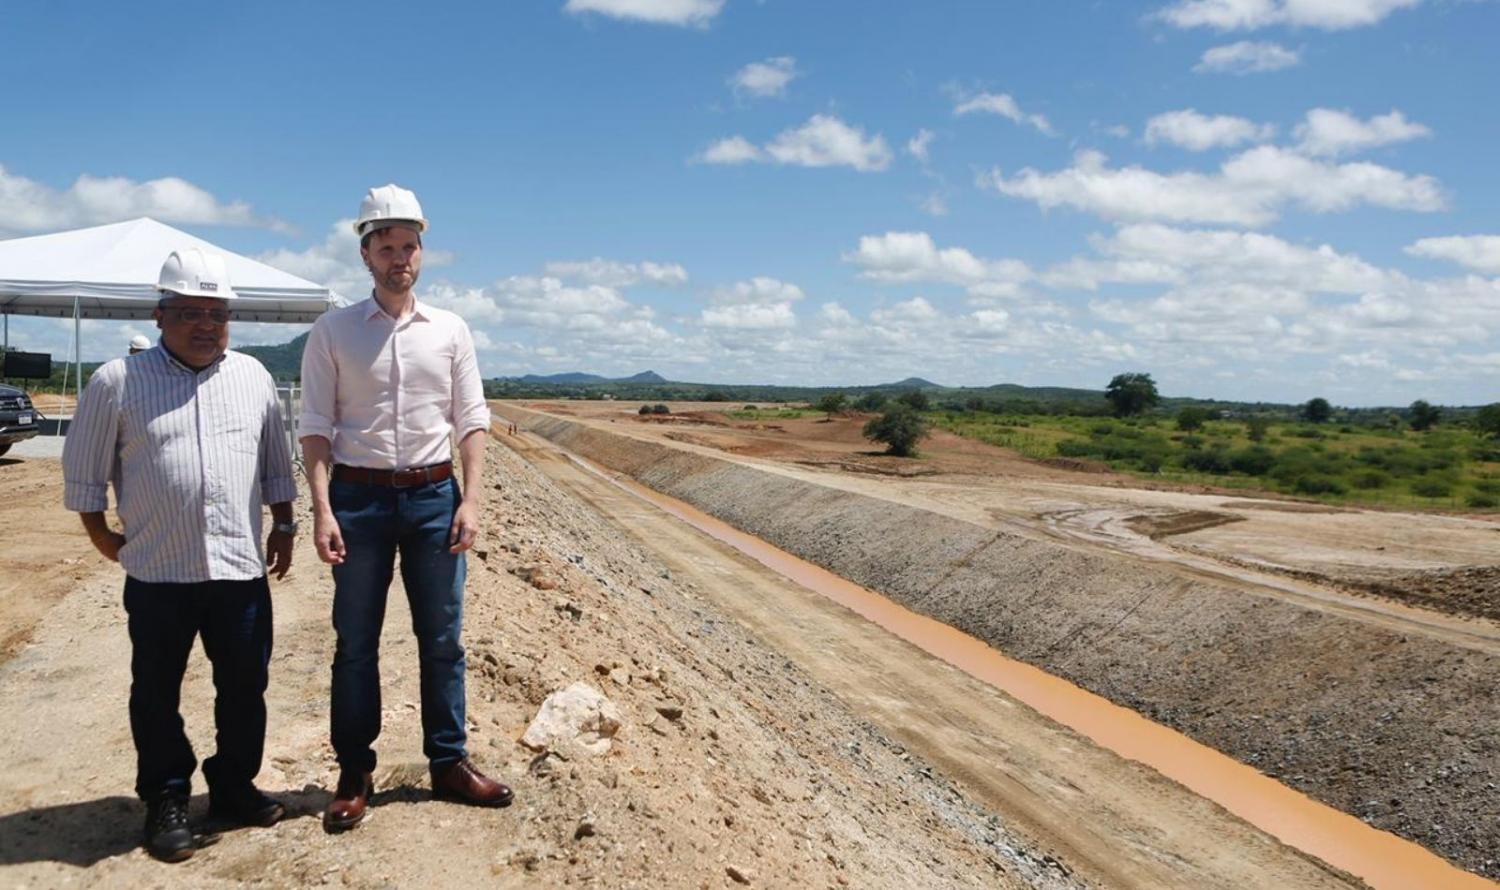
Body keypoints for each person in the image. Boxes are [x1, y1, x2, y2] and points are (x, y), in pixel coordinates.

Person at [62, 249, 297, 863]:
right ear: (160, 315)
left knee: (245, 687)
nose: (205, 325)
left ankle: (234, 785)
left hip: (238, 571)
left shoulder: (253, 378)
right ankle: (166, 797)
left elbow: (276, 463)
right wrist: (103, 538)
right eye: (190, 312)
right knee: (156, 692)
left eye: (217, 314)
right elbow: (83, 474)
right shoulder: (117, 382)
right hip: (159, 574)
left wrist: (284, 524)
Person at [299, 184, 512, 833]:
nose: (400, 259)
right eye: (387, 247)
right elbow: (315, 426)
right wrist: (322, 509)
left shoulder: (450, 330)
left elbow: (471, 418)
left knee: (443, 639)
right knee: (355, 642)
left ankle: (448, 762)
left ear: (422, 252)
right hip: (357, 499)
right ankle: (354, 771)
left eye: (410, 247)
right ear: (365, 254)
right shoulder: (333, 331)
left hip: (432, 497)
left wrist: (470, 499)